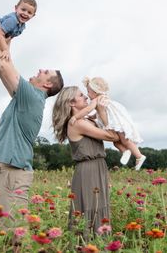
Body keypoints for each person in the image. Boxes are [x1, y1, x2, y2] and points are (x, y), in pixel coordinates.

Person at [0, 26, 64, 220]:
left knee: (12, 229)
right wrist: (3, 42)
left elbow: (6, 66)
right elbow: (2, 70)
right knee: (7, 228)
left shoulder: (32, 96)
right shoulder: (25, 98)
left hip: (12, 173)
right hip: (8, 171)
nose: (40, 69)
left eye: (45, 71)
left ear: (47, 84)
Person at [52, 86, 119, 237]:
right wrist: (101, 111)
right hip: (88, 169)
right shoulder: (76, 123)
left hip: (98, 166)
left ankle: (99, 244)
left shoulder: (87, 120)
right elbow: (113, 136)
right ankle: (89, 245)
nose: (86, 97)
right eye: (81, 95)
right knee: (90, 208)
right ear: (71, 103)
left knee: (98, 207)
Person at [70, 76, 146, 170]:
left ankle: (139, 156)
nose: (87, 95)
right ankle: (125, 151)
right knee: (116, 143)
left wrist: (75, 117)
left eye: (88, 92)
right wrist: (92, 116)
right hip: (113, 122)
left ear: (95, 92)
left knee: (125, 140)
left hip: (115, 122)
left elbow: (88, 110)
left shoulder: (96, 100)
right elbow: (98, 112)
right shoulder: (102, 99)